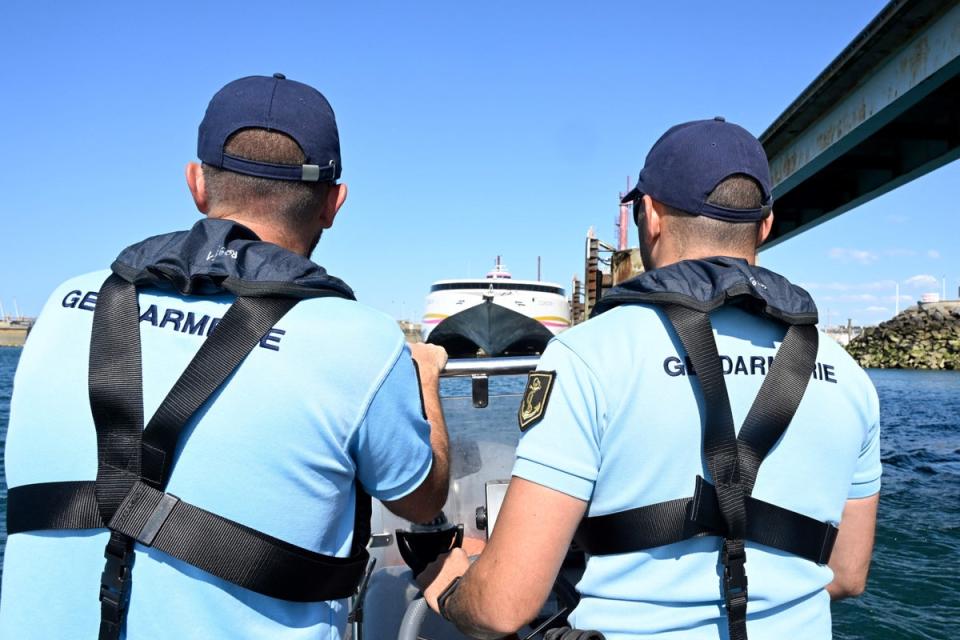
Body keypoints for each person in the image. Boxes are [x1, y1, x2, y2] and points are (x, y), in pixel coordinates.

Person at [0, 73, 450, 640]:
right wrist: (427, 380)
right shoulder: (360, 339)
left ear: (197, 183)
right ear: (334, 202)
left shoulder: (66, 302)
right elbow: (421, 498)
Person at [421, 118, 880, 639]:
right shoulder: (849, 376)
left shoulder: (589, 354)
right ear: (766, 224)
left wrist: (456, 585)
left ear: (651, 215)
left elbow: (503, 607)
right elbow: (846, 575)